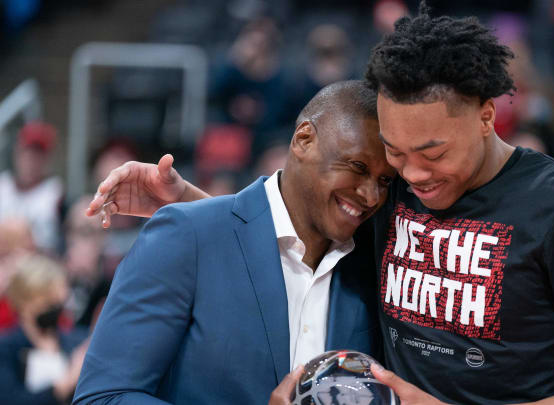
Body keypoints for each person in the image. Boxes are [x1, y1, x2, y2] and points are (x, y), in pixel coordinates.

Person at [87, 4, 554, 404]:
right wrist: (195, 208)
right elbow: (303, 220)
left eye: (432, 151)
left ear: (487, 115)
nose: (411, 176)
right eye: (396, 154)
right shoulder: (391, 198)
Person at [72, 80, 394, 405]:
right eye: (357, 167)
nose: (371, 195)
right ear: (304, 139)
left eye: (384, 181)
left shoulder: (372, 263)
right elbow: (103, 398)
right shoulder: (186, 234)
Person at [0, 253, 89, 405]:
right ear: (23, 301)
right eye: (47, 303)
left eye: (57, 304)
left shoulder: (77, 340)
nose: (54, 310)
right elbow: (9, 399)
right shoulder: (6, 347)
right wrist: (65, 383)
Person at [0, 121, 63, 254]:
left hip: (37, 263)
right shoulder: (3, 185)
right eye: (27, 152)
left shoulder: (55, 193)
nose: (31, 160)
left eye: (38, 155)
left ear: (47, 158)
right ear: (17, 152)